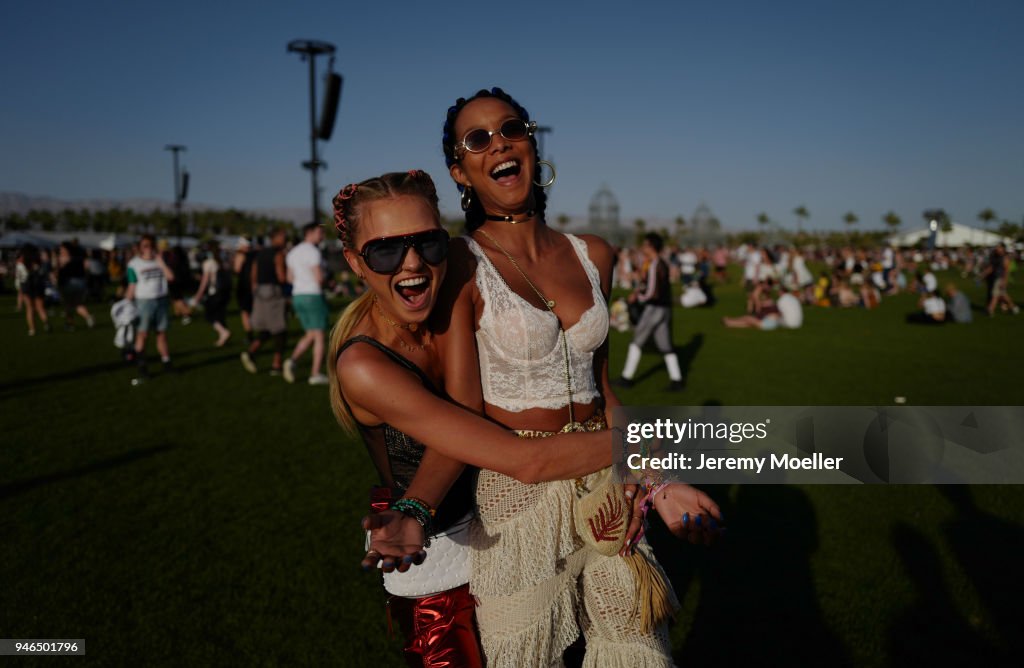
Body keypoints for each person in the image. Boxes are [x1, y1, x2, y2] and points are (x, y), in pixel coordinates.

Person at [437, 88, 720, 667]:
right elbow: (459, 413)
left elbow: (604, 389)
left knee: (634, 644)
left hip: (605, 480)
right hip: (516, 497)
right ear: (459, 169)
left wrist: (659, 485)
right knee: (523, 655)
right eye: (478, 139)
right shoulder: (459, 264)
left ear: (532, 143)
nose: (499, 144)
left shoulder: (596, 254)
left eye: (510, 128)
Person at [328, 170, 629, 667]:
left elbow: (466, 418)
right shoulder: (365, 365)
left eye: (427, 243)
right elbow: (522, 459)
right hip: (437, 563)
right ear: (355, 262)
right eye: (385, 251)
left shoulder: (442, 313)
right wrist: (659, 439)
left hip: (504, 534)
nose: (412, 264)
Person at [613, 232, 685, 391]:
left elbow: (652, 292)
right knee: (665, 345)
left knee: (636, 341)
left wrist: (637, 297)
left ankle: (626, 378)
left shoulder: (655, 264)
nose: (643, 247)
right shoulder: (661, 263)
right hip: (665, 309)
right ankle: (677, 380)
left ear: (651, 246)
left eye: (645, 244)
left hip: (654, 308)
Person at [283, 223, 329, 385]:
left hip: (298, 295)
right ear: (309, 232)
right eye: (320, 232)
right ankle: (315, 373)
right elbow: (319, 278)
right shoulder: (313, 251)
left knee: (310, 333)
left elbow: (289, 278)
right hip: (313, 294)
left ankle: (292, 361)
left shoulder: (293, 253)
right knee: (319, 335)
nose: (322, 235)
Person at [126, 234, 175, 383]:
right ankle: (142, 366)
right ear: (140, 247)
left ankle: (167, 362)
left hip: (161, 300)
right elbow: (132, 285)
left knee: (161, 333)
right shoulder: (134, 264)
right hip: (144, 302)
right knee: (143, 334)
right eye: (145, 245)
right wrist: (126, 304)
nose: (148, 248)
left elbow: (171, 277)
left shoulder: (160, 261)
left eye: (151, 245)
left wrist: (160, 262)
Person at [241, 227, 288, 375]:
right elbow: (281, 276)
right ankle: (276, 364)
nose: (285, 239)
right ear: (275, 238)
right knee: (280, 329)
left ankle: (251, 352)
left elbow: (253, 274)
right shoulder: (278, 253)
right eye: (283, 236)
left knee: (266, 330)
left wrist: (256, 290)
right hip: (273, 292)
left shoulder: (261, 253)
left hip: (260, 292)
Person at [191, 240, 232, 347]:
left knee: (210, 316)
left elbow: (204, 283)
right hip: (225, 293)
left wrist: (197, 296)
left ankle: (223, 332)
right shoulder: (222, 261)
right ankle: (223, 337)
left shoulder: (209, 263)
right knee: (220, 316)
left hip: (215, 293)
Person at [233, 237, 256, 344]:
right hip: (253, 284)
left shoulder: (241, 255)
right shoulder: (255, 254)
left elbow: (237, 269)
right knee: (251, 310)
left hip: (244, 285)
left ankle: (249, 334)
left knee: (245, 311)